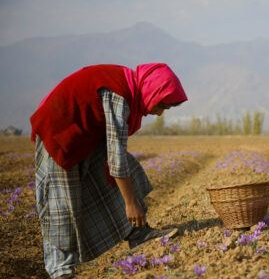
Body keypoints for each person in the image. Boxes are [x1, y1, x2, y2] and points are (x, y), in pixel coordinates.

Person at [30, 63, 187, 279]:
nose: (159, 113)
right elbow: (115, 157)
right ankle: (61, 271)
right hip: (59, 135)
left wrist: (131, 199)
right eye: (162, 106)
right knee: (61, 207)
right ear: (152, 90)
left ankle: (137, 232)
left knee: (120, 172)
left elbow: (115, 155)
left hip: (82, 136)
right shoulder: (119, 95)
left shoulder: (127, 87)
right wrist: (131, 203)